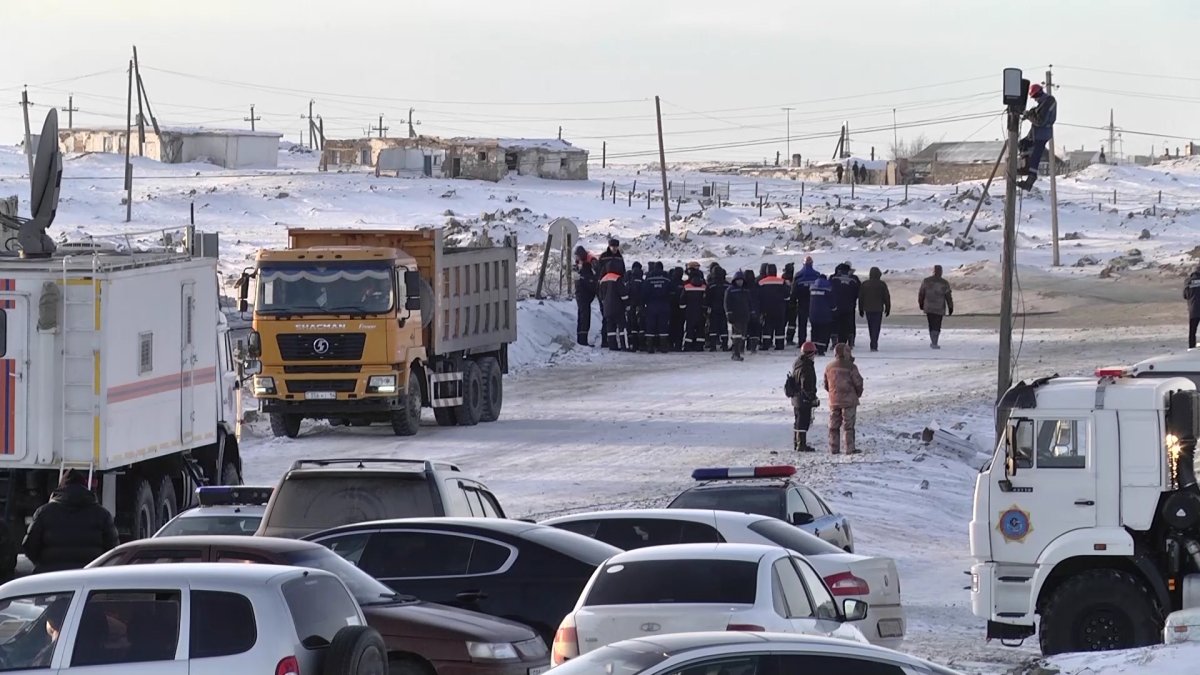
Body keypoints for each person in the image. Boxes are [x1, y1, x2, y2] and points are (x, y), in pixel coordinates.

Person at [23, 470, 119, 574]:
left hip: (50, 577)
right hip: (89, 576)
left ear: (60, 488)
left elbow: (29, 546)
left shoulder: (44, 512)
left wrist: (42, 564)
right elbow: (112, 550)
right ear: (86, 488)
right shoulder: (102, 514)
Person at [824, 343, 864, 455]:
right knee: (848, 426)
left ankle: (834, 448)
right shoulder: (851, 367)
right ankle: (849, 449)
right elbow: (858, 383)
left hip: (834, 400)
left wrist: (833, 393)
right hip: (849, 401)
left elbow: (826, 384)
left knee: (833, 426)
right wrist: (858, 394)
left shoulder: (829, 367)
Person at [1018, 83, 1057, 191]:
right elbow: (1036, 112)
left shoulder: (1049, 101)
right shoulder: (1043, 103)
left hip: (1042, 134)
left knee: (1035, 155)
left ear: (1039, 93)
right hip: (1036, 133)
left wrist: (1029, 115)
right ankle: (1025, 167)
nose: (1035, 99)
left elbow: (1040, 121)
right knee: (1023, 144)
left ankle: (1030, 179)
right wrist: (1029, 113)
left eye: (1035, 97)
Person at [789, 342, 820, 453]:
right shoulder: (807, 367)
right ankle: (801, 444)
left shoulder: (797, 363)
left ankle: (797, 443)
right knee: (803, 422)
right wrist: (812, 398)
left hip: (796, 398)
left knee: (798, 421)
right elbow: (806, 385)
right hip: (803, 399)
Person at [918, 264, 954, 349]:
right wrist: (950, 306)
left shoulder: (926, 281)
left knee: (931, 324)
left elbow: (921, 293)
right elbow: (948, 296)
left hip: (929, 306)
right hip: (939, 307)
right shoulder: (944, 283)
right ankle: (935, 341)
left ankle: (933, 341)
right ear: (941, 272)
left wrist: (921, 304)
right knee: (937, 324)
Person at [642, 262, 674, 353]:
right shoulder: (666, 278)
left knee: (650, 326)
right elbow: (672, 291)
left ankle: (650, 347)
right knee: (663, 325)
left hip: (651, 305)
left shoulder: (649, 278)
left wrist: (644, 304)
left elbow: (644, 292)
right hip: (664, 305)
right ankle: (663, 347)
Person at [858, 266, 891, 352]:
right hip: (878, 308)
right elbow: (886, 297)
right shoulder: (882, 284)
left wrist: (860, 308)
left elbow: (861, 297)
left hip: (868, 308)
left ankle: (873, 341)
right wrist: (888, 308)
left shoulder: (865, 284)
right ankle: (874, 343)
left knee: (870, 326)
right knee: (876, 327)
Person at [598, 258, 629, 351]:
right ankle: (624, 345)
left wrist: (604, 304)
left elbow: (601, 295)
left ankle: (612, 345)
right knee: (622, 327)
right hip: (618, 308)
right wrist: (627, 304)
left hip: (607, 308)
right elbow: (623, 294)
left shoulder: (603, 280)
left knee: (610, 328)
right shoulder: (617, 278)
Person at [758, 264, 789, 350]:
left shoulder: (762, 282)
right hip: (779, 309)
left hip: (767, 309)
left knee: (767, 328)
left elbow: (758, 296)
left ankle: (766, 345)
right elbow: (787, 295)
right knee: (780, 328)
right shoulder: (782, 282)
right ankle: (780, 345)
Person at [829, 262, 861, 347]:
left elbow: (829, 290)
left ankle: (835, 343)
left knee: (835, 324)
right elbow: (858, 292)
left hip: (836, 306)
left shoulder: (833, 279)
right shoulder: (853, 279)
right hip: (849, 306)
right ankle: (849, 343)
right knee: (848, 325)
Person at [573, 246, 598, 346]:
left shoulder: (579, 269)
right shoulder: (585, 271)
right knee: (585, 317)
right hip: (584, 296)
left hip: (581, 295)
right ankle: (583, 341)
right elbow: (590, 284)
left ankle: (581, 339)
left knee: (582, 316)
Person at [725, 271, 752, 362]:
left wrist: (751, 311)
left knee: (742, 335)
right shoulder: (730, 290)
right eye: (738, 280)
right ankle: (735, 353)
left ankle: (740, 350)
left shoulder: (746, 290)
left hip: (744, 315)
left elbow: (749, 302)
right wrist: (728, 313)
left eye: (741, 280)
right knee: (737, 334)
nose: (740, 282)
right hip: (735, 316)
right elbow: (726, 303)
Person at [793, 256, 820, 344]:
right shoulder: (816, 275)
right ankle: (815, 340)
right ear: (812, 263)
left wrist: (793, 301)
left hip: (802, 303)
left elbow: (794, 291)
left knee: (802, 324)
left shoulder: (798, 275)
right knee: (815, 323)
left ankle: (801, 342)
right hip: (814, 303)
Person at [679, 268, 708, 352]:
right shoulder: (704, 287)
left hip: (690, 312)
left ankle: (688, 346)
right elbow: (707, 300)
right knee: (700, 329)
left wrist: (683, 310)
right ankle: (699, 346)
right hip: (701, 312)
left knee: (689, 329)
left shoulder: (687, 287)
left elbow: (682, 300)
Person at [705, 265, 731, 351]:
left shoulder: (711, 285)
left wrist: (706, 308)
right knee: (724, 327)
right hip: (725, 308)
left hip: (713, 309)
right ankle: (724, 345)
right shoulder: (727, 285)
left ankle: (713, 346)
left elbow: (707, 298)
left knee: (713, 327)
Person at [808, 274, 834, 356]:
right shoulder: (828, 288)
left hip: (813, 314)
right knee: (823, 332)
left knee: (814, 331)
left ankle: (813, 348)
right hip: (825, 314)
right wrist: (834, 309)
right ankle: (821, 349)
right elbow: (832, 302)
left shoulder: (812, 288)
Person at [625, 262, 645, 352]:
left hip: (631, 305)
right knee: (641, 326)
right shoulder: (643, 281)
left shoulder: (629, 281)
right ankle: (642, 344)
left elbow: (626, 292)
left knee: (631, 325)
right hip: (641, 305)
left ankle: (633, 344)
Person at [743, 269, 762, 353]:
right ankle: (752, 347)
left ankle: (743, 346)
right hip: (756, 310)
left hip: (745, 311)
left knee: (745, 329)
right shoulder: (757, 286)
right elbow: (761, 299)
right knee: (754, 329)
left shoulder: (742, 287)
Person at [669, 266, 686, 351]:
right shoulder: (684, 284)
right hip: (681, 309)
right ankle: (678, 345)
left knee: (672, 326)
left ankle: (671, 343)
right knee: (680, 327)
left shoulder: (670, 283)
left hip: (671, 308)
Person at [782, 263, 798, 345]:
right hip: (791, 304)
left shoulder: (783, 277)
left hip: (785, 304)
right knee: (791, 323)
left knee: (784, 323)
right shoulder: (793, 279)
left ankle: (782, 339)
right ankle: (789, 339)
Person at [1185, 265, 1200, 348]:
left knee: (1192, 331)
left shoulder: (1188, 281)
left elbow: (1185, 295)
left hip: (1193, 309)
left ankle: (1191, 347)